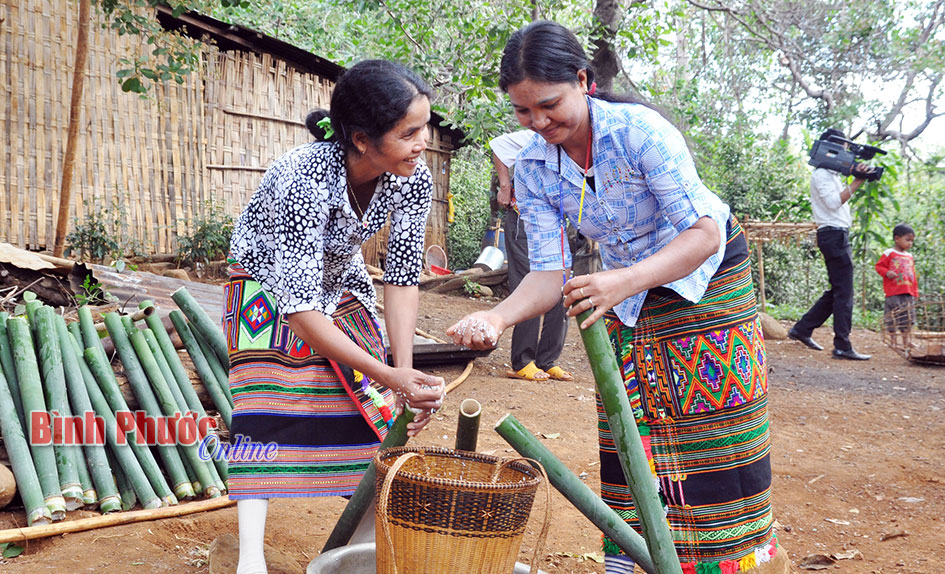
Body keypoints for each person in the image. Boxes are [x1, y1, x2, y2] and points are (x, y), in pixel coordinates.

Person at [448, 21, 785, 574]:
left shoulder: (640, 133)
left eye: (549, 105)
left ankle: (733, 561)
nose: (538, 123)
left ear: (583, 81)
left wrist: (622, 281)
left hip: (706, 274)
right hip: (625, 286)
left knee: (714, 422)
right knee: (634, 423)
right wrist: (496, 316)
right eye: (523, 111)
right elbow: (548, 273)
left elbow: (703, 235)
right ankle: (643, 561)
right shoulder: (533, 165)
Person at [224, 60, 446, 574]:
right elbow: (299, 312)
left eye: (424, 130)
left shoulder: (413, 178)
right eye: (409, 133)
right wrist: (388, 373)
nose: (422, 144)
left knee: (381, 414)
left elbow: (403, 274)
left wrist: (399, 376)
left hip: (340, 281)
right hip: (264, 283)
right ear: (363, 140)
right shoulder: (303, 178)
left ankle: (361, 553)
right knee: (264, 400)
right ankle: (250, 560)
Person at [491, 130, 572, 382]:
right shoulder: (537, 136)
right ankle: (523, 361)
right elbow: (498, 144)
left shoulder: (577, 144)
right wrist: (505, 187)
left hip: (557, 222)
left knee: (563, 284)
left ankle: (547, 360)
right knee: (529, 283)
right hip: (524, 219)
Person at [788, 128, 874, 360]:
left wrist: (858, 174)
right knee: (844, 291)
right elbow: (834, 202)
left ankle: (803, 328)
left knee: (838, 288)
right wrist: (857, 181)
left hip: (836, 235)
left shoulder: (832, 174)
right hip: (833, 236)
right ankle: (842, 345)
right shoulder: (821, 175)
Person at [875, 223, 918, 352]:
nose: (910, 243)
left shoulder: (909, 256)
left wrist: (915, 291)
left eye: (912, 241)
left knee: (908, 317)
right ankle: (893, 341)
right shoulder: (889, 253)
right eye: (907, 240)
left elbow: (913, 275)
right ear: (897, 238)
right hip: (893, 292)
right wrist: (887, 272)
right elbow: (879, 266)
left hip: (908, 292)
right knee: (893, 316)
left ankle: (907, 341)